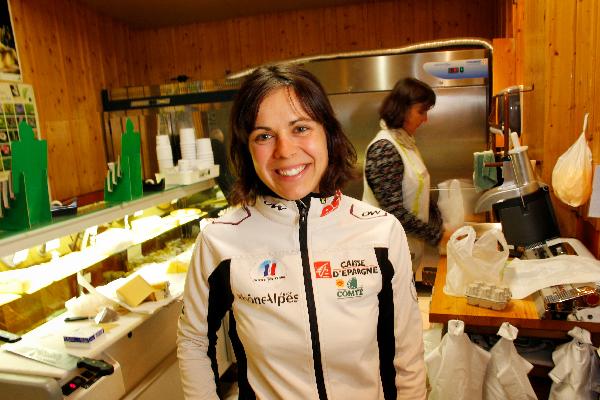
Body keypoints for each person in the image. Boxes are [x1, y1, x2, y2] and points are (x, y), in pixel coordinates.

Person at [177, 65, 426, 399]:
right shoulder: (219, 241)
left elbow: (405, 351)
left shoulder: (381, 233)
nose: (284, 151)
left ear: (328, 133)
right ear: (247, 150)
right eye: (263, 135)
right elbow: (194, 341)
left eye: (300, 128)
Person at [362, 77, 444, 273]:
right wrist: (437, 234)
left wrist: (437, 218)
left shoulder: (406, 143)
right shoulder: (384, 149)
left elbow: (418, 189)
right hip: (384, 252)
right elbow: (394, 212)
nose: (425, 119)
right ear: (402, 109)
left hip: (405, 247)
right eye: (421, 111)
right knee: (389, 302)